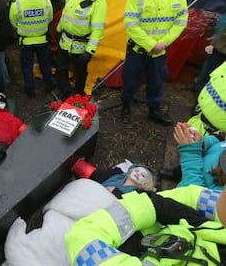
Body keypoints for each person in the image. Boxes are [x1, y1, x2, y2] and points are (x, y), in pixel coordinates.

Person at [65, 188, 226, 265]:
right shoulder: (220, 218)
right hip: (139, 239)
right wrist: (152, 205)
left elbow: (84, 239)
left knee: (82, 191)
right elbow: (187, 198)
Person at [120, 0, 188, 125]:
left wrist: (164, 42)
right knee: (130, 81)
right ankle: (126, 106)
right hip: (137, 51)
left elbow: (180, 22)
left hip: (160, 51)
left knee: (157, 82)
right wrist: (151, 44)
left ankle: (154, 110)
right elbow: (131, 24)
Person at [159, 66, 226, 189]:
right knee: (188, 152)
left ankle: (182, 174)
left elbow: (195, 195)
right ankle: (180, 172)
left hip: (214, 129)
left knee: (191, 156)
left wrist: (191, 152)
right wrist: (204, 143)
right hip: (203, 122)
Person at [56, 0, 107, 98]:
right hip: (64, 42)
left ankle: (78, 96)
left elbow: (98, 30)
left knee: (80, 74)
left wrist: (89, 52)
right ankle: (64, 92)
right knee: (61, 69)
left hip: (81, 48)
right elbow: (66, 13)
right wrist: (59, 30)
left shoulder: (98, 1)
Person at [9, 0, 55, 97]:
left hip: (26, 41)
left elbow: (13, 23)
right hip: (42, 39)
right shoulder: (46, 1)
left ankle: (30, 88)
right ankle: (49, 83)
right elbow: (50, 18)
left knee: (27, 66)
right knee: (45, 63)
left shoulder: (16, 4)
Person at [71, 158, 157, 198]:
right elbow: (98, 175)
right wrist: (76, 164)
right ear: (130, 171)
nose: (138, 174)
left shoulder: (138, 194)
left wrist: (116, 193)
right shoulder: (117, 173)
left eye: (143, 175)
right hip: (89, 194)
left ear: (146, 183)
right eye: (137, 171)